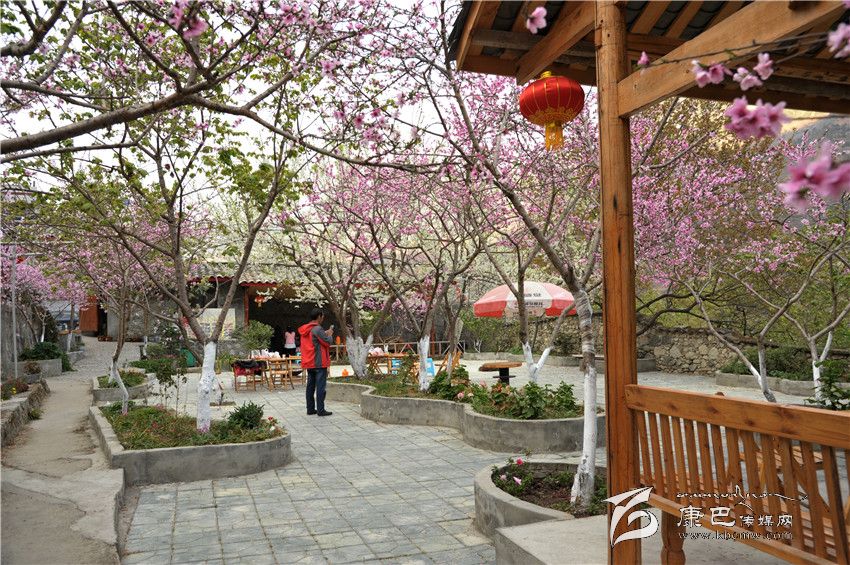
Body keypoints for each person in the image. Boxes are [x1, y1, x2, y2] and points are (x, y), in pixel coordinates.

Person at [298, 309, 334, 416]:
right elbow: (327, 342)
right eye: (322, 316)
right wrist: (330, 334)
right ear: (319, 316)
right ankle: (320, 410)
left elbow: (315, 340)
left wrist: (324, 333)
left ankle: (310, 409)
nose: (323, 318)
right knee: (320, 387)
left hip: (309, 362)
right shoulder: (318, 328)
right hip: (319, 362)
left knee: (310, 387)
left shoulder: (306, 329)